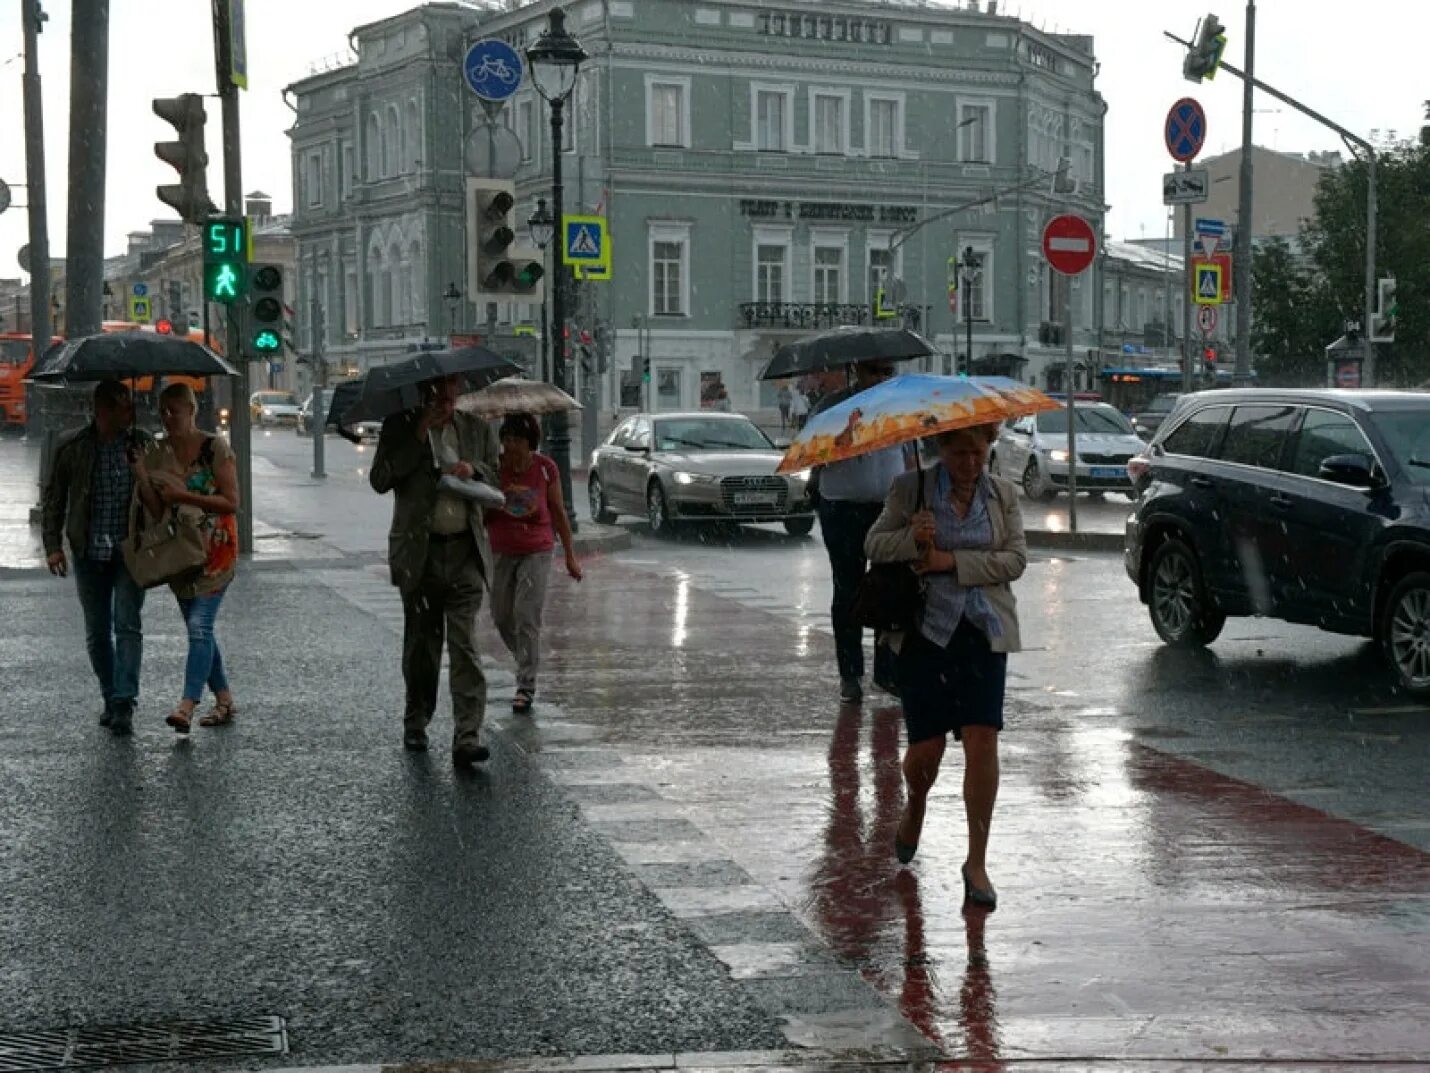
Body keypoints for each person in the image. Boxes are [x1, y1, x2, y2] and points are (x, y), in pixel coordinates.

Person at [865, 423, 1027, 910]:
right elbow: (874, 545)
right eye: (960, 454)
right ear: (941, 450)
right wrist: (911, 539)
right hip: (924, 634)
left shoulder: (1001, 495)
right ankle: (915, 805)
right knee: (926, 750)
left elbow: (1015, 559)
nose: (970, 464)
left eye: (979, 453)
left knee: (982, 740)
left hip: (982, 633)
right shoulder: (908, 489)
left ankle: (976, 860)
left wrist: (949, 562)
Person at [370, 374, 501, 768]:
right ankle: (416, 721)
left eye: (451, 394)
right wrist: (418, 433)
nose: (445, 401)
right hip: (420, 555)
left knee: (465, 645)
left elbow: (496, 474)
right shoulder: (401, 427)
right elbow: (381, 479)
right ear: (422, 394)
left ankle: (467, 735)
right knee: (423, 647)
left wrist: (473, 470)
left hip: (464, 550)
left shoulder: (475, 429)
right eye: (437, 395)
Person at [41, 380, 152, 736]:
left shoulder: (142, 442)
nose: (130, 412)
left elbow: (159, 491)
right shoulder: (73, 446)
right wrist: (52, 545)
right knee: (97, 632)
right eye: (123, 406)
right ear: (102, 410)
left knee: (128, 625)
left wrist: (142, 469)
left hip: (131, 551)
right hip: (88, 550)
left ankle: (124, 703)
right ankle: (109, 695)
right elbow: (54, 498)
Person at [133, 382, 240, 735]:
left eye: (174, 410)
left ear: (191, 410)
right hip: (179, 552)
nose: (167, 417)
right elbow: (155, 507)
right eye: (162, 410)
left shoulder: (214, 447)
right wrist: (140, 473)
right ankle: (224, 699)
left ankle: (186, 705)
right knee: (201, 631)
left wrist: (186, 495)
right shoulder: (157, 451)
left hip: (215, 549)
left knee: (199, 628)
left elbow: (232, 502)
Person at [810, 360, 903, 704]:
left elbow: (909, 454)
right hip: (842, 507)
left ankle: (887, 673)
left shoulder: (898, 407)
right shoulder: (833, 408)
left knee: (890, 589)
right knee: (848, 588)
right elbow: (816, 455)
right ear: (856, 372)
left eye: (884, 372)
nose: (878, 378)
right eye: (871, 371)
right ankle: (850, 675)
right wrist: (848, 433)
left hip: (890, 507)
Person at [486, 413, 582, 714]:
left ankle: (526, 684)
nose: (511, 446)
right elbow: (482, 509)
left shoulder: (545, 469)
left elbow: (558, 512)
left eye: (518, 440)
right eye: (507, 439)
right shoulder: (494, 468)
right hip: (501, 550)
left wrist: (569, 555)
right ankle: (527, 658)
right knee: (502, 616)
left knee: (526, 614)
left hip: (536, 550)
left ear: (531, 444)